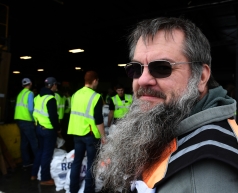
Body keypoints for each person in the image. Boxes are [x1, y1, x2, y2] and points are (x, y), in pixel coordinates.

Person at [94, 17, 238, 193]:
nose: (143, 80)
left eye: (162, 67)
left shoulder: (204, 169)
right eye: (136, 69)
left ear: (201, 77)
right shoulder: (163, 125)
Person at [67, 71, 106, 193]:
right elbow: (98, 120)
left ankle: (73, 189)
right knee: (91, 164)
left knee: (76, 162)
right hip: (90, 135)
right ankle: (88, 191)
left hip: (76, 133)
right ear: (95, 80)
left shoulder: (75, 95)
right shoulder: (96, 96)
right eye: (97, 81)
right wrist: (103, 136)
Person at [31, 77, 60, 185]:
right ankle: (45, 178)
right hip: (48, 130)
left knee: (40, 151)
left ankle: (34, 174)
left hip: (39, 128)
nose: (57, 86)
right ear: (53, 85)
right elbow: (53, 117)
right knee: (47, 154)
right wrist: (57, 129)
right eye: (56, 84)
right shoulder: (50, 99)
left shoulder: (38, 97)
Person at [14, 78, 38, 168]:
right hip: (27, 120)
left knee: (24, 142)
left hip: (19, 120)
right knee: (34, 142)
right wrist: (34, 120)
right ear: (30, 83)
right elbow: (31, 108)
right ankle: (39, 162)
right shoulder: (30, 93)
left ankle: (26, 162)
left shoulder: (20, 94)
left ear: (22, 85)